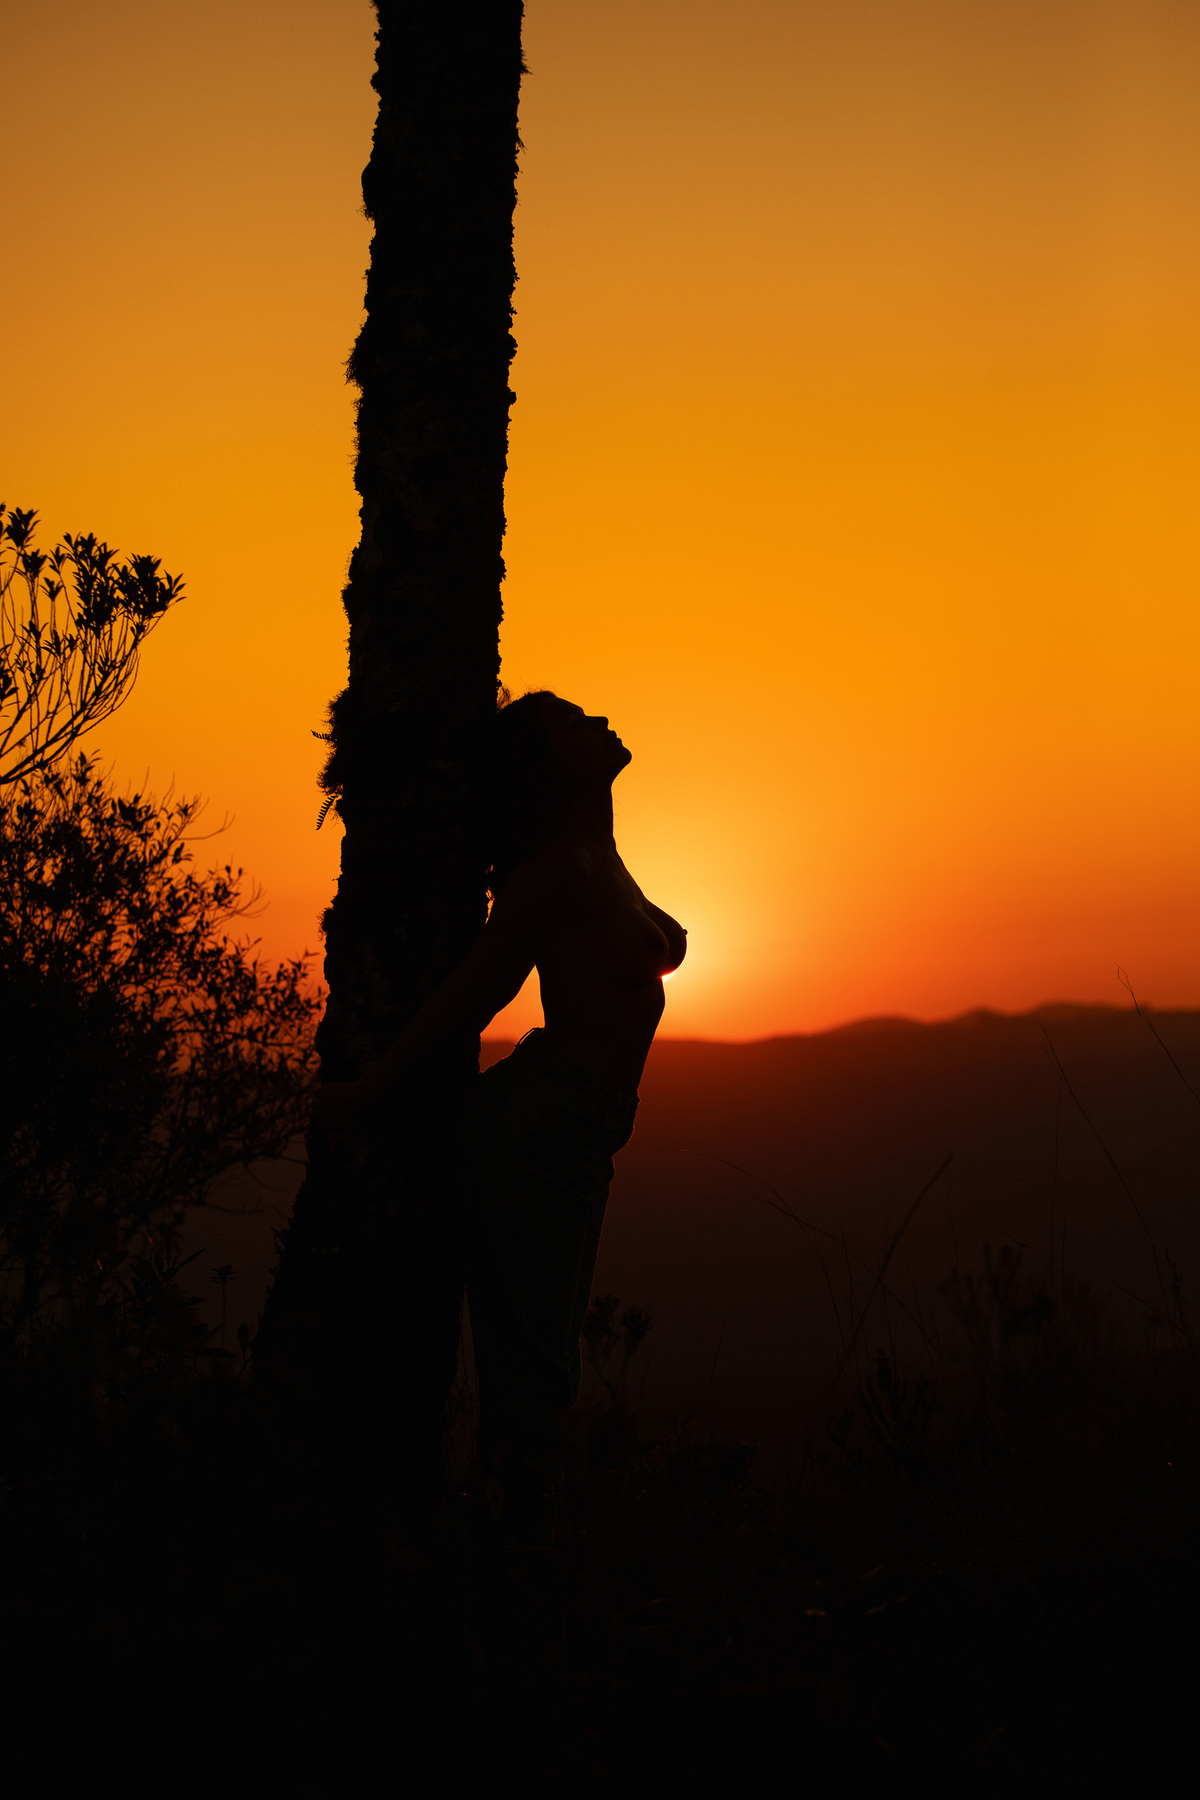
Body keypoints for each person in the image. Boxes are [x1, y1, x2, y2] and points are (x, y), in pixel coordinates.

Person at [313, 691, 687, 1541]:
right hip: (537, 1130)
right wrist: (372, 1090)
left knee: (544, 1356)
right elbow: (475, 991)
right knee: (532, 1375)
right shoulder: (554, 873)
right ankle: (504, 1569)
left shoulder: (599, 851)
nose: (599, 720)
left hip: (581, 1133)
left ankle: (509, 1560)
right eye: (573, 722)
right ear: (552, 766)